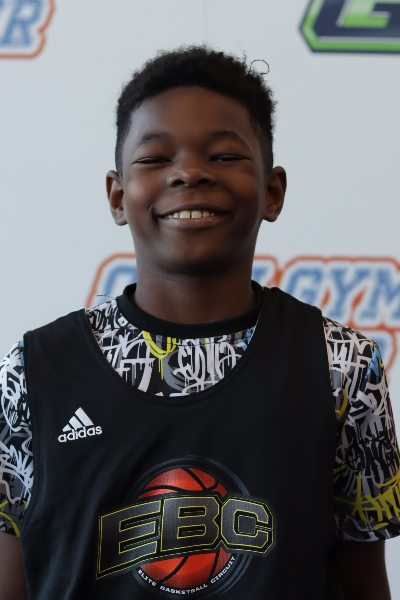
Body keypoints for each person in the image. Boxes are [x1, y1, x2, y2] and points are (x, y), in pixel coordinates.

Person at [0, 46, 398, 600]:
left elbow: (363, 583)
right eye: (155, 158)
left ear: (273, 192)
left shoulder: (342, 367)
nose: (188, 172)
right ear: (117, 196)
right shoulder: (31, 375)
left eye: (224, 155)